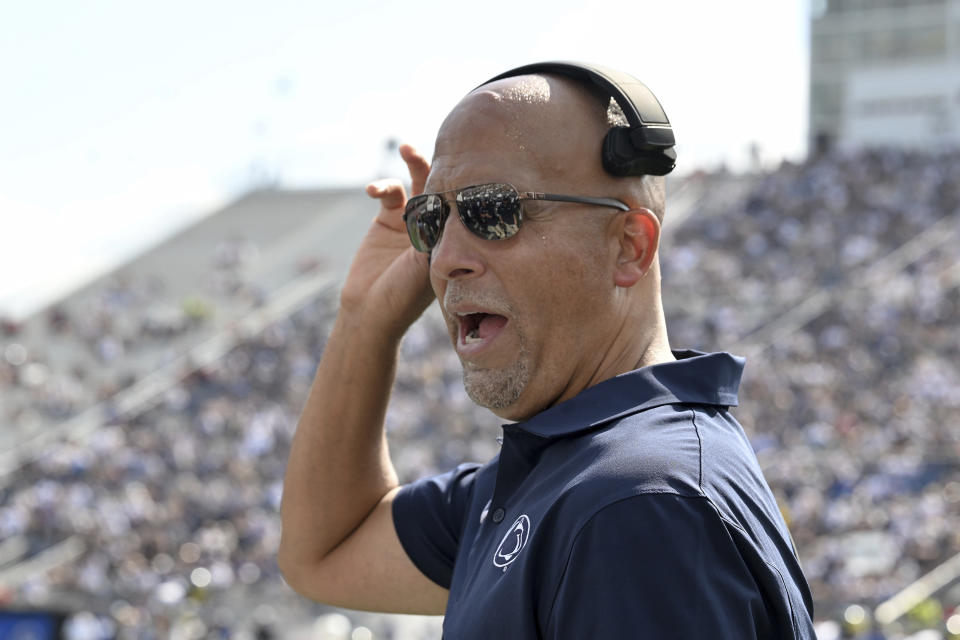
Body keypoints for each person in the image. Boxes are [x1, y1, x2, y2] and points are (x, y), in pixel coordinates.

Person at [278, 63, 816, 638]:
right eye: (432, 221)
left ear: (629, 247)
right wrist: (367, 320)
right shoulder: (575, 470)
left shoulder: (635, 501)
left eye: (493, 211)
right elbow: (324, 553)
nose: (442, 258)